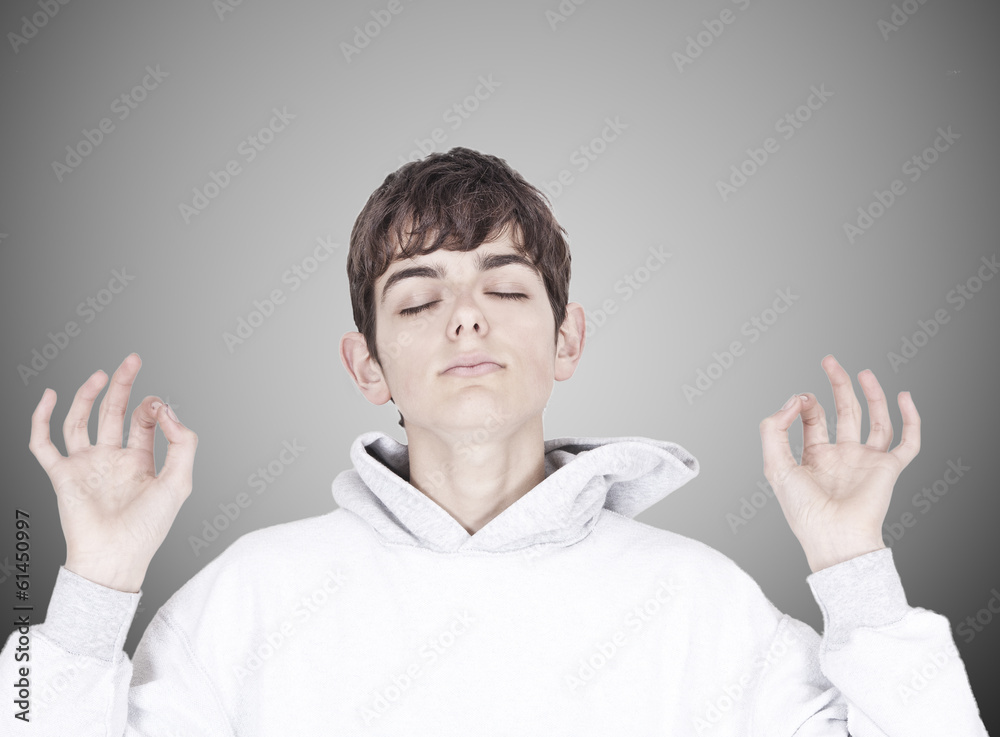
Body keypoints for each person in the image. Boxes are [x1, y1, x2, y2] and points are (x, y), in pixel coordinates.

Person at [2, 147, 988, 735]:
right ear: (367, 366)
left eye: (506, 287)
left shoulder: (700, 603)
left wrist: (853, 566)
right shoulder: (251, 591)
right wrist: (96, 582)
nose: (465, 317)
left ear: (566, 338)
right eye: (420, 295)